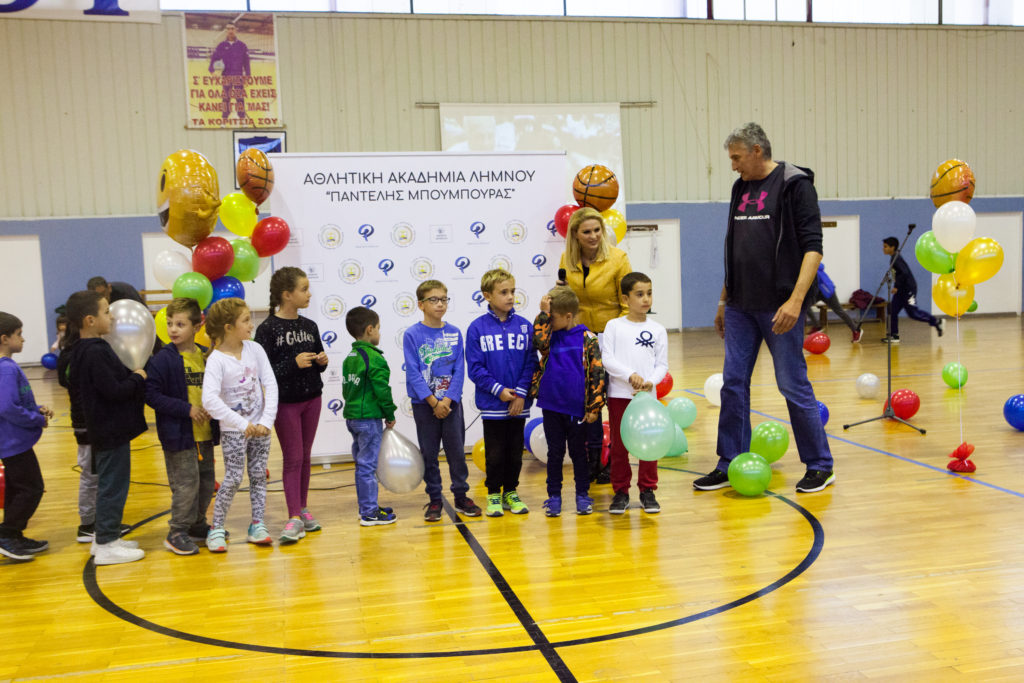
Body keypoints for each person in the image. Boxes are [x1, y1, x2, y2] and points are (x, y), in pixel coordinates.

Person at [693, 123, 835, 495]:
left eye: (737, 158)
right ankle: (730, 462)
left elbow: (813, 248)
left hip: (779, 306)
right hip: (740, 306)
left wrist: (795, 300)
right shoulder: (740, 187)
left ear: (757, 151)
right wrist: (724, 301)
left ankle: (820, 465)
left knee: (792, 383)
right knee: (733, 385)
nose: (733, 166)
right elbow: (734, 249)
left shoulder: (795, 185)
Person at [65, 290, 148, 564]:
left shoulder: (83, 349)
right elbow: (114, 390)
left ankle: (105, 536)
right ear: (90, 320)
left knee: (111, 484)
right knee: (113, 485)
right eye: (105, 312)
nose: (111, 316)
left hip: (104, 429)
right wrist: (137, 378)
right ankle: (106, 543)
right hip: (109, 430)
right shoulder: (95, 352)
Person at [254, 267, 328, 543]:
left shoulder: (310, 326)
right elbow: (262, 371)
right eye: (304, 289)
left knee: (306, 456)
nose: (309, 294)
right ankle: (293, 516)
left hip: (313, 399)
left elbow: (318, 363)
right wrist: (291, 364)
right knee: (293, 458)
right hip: (285, 403)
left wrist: (322, 361)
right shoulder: (267, 329)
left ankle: (303, 509)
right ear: (287, 294)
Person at [559, 207, 632, 484]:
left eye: (597, 230)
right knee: (589, 403)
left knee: (614, 402)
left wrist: (614, 338)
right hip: (581, 339)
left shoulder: (618, 259)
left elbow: (628, 305)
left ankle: (616, 461)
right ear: (575, 235)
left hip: (612, 337)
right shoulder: (568, 258)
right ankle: (592, 463)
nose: (593, 236)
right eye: (586, 232)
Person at [201, 298, 278, 552]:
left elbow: (270, 383)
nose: (251, 324)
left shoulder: (255, 349)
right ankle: (217, 528)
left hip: (261, 429)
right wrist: (241, 423)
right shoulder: (216, 360)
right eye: (245, 320)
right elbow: (209, 400)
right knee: (233, 478)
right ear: (228, 327)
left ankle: (257, 524)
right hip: (235, 431)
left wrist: (266, 420)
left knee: (258, 475)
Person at [144, 298, 219, 555]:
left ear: (198, 326)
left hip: (205, 435)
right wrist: (186, 409)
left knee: (206, 482)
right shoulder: (163, 360)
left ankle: (197, 524)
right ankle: (176, 531)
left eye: (180, 324)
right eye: (170, 324)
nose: (173, 329)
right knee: (186, 484)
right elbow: (152, 395)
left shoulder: (206, 355)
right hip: (179, 436)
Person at [403, 279, 480, 522]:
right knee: (429, 452)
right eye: (433, 300)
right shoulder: (412, 334)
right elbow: (413, 372)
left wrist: (447, 400)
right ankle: (435, 498)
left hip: (451, 404)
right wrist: (433, 402)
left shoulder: (454, 333)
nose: (440, 304)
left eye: (444, 299)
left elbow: (459, 369)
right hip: (425, 405)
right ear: (421, 305)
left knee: (457, 452)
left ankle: (460, 495)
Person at [466, 268, 538, 517]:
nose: (510, 297)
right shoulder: (477, 328)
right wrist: (499, 391)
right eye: (503, 292)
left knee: (515, 451)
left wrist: (519, 394)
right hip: (493, 403)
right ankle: (494, 493)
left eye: (512, 291)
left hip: (519, 402)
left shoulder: (525, 327)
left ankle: (511, 492)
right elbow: (475, 368)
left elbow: (531, 362)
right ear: (487, 295)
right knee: (495, 453)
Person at [530, 287, 605, 517]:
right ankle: (554, 496)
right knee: (555, 453)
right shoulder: (550, 336)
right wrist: (543, 314)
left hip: (577, 410)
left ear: (568, 316)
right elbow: (538, 341)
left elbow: (597, 373)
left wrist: (594, 407)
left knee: (578, 454)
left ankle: (582, 495)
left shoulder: (587, 338)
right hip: (552, 406)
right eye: (548, 318)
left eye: (552, 317)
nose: (549, 322)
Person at [57, 320, 132, 545]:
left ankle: (101, 523)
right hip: (86, 424)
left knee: (100, 476)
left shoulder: (86, 351)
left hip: (92, 423)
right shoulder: (77, 354)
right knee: (91, 475)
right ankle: (88, 525)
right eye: (105, 312)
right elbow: (74, 384)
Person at [600, 272, 668, 514]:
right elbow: (607, 359)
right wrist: (630, 375)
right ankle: (620, 491)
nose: (646, 299)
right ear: (625, 299)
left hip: (647, 399)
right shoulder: (614, 326)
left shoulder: (658, 329)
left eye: (649, 293)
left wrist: (650, 382)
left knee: (649, 443)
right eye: (639, 294)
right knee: (620, 445)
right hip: (620, 395)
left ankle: (647, 490)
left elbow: (662, 364)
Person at [0, 312, 52, 562]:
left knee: (15, 489)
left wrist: (36, 408)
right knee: (32, 488)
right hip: (13, 443)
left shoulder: (5, 368)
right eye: (19, 335)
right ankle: (7, 534)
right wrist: (37, 419)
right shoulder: (6, 369)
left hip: (11, 442)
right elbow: (7, 407)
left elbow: (14, 401)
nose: (23, 339)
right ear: (4, 338)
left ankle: (14, 534)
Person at [342, 306, 398, 526]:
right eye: (378, 328)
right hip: (368, 419)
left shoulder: (351, 356)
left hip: (353, 418)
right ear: (369, 329)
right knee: (367, 466)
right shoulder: (374, 358)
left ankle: (367, 505)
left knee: (362, 464)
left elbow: (347, 390)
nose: (379, 333)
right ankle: (369, 512)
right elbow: (382, 389)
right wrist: (389, 413)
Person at [881, 236, 943, 343]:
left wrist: (896, 286)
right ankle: (893, 335)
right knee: (892, 310)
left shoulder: (897, 258)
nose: (884, 249)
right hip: (901, 291)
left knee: (913, 313)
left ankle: (936, 321)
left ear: (892, 247)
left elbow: (904, 273)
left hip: (908, 290)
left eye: (886, 247)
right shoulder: (893, 257)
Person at [208, 21, 251, 122]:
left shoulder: (242, 45)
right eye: (228, 29)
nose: (230, 31)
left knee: (239, 97)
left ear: (235, 30)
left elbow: (246, 61)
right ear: (226, 31)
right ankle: (224, 117)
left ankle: (242, 117)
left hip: (238, 76)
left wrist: (248, 75)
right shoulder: (221, 45)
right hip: (226, 75)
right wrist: (211, 70)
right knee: (226, 98)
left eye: (232, 28)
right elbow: (214, 58)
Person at [811, 264, 863, 343]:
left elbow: (814, 286)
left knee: (839, 311)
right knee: (804, 306)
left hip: (827, 292)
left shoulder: (813, 267)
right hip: (818, 292)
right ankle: (817, 326)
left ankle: (856, 330)